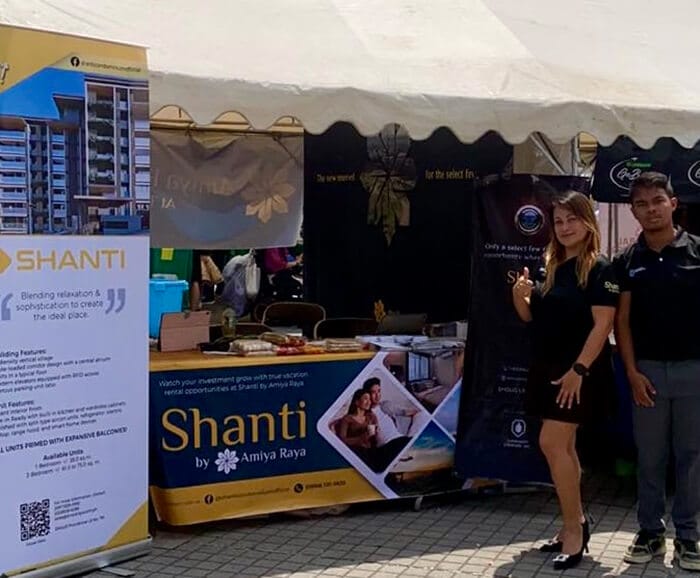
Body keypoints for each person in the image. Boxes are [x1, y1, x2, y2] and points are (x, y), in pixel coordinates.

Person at [512, 191, 619, 571]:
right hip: (547, 367)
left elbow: (603, 325)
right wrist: (520, 297)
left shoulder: (600, 268)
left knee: (551, 442)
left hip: (579, 371)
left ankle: (574, 531)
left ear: (587, 221)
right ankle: (573, 523)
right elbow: (531, 318)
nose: (565, 227)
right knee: (564, 448)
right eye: (558, 221)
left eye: (572, 219)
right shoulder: (550, 266)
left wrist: (579, 371)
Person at [613, 172, 700, 572]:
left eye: (658, 201)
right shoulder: (628, 261)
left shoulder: (697, 251)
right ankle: (650, 531)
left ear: (673, 203)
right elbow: (622, 322)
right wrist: (631, 372)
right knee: (650, 457)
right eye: (642, 204)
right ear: (633, 211)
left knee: (692, 457)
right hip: (646, 372)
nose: (651, 209)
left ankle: (688, 537)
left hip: (694, 370)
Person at [362, 377, 417, 472]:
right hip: (386, 447)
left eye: (379, 391)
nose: (377, 395)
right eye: (373, 392)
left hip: (400, 439)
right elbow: (369, 437)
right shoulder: (366, 414)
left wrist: (419, 412)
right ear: (367, 394)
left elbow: (404, 412)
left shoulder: (385, 405)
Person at [337, 389, 378, 468]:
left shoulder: (371, 416)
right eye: (365, 399)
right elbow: (342, 440)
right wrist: (360, 439)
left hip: (371, 451)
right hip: (355, 451)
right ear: (357, 402)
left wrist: (374, 432)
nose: (369, 402)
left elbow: (375, 436)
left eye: (370, 399)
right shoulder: (347, 419)